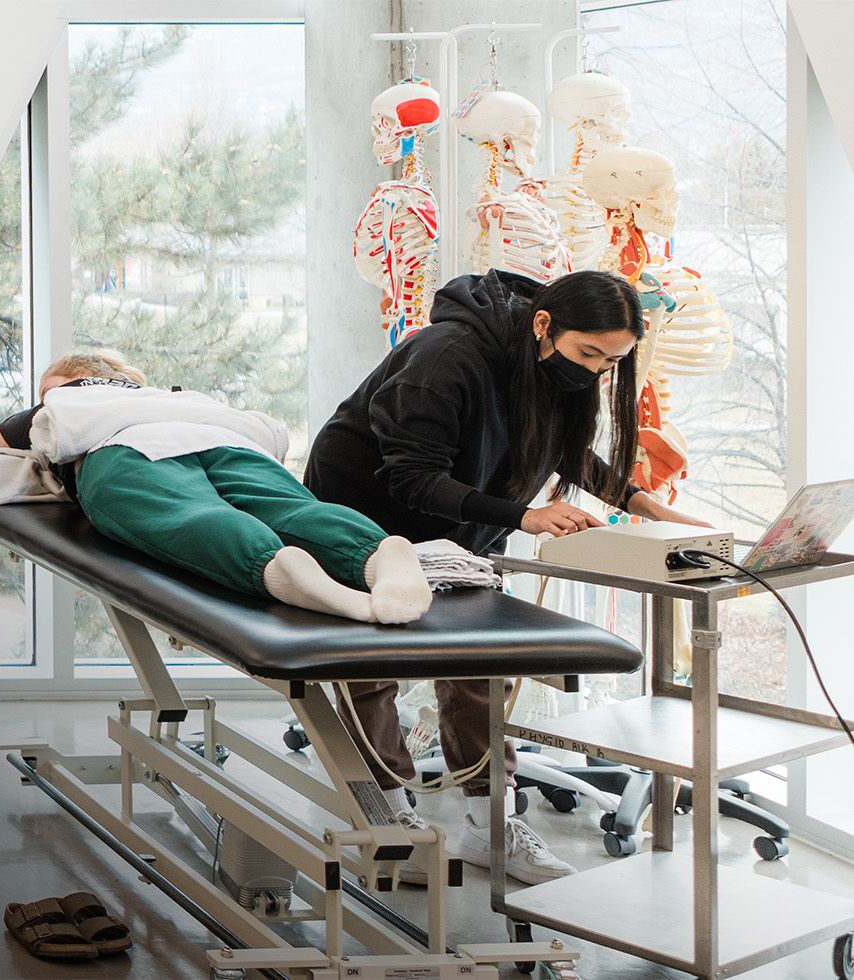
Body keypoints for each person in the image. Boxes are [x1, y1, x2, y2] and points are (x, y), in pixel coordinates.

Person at [303, 268, 709, 886]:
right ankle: (390, 816)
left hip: (461, 521)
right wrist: (526, 516)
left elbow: (561, 447)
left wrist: (640, 501)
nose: (597, 369)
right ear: (544, 324)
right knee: (373, 667)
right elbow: (412, 478)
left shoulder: (555, 364)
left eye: (612, 360)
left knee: (479, 669)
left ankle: (489, 823)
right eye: (590, 353)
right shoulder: (444, 357)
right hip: (365, 517)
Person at [0, 350, 433, 623]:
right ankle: (378, 553)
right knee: (291, 508)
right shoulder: (173, 397)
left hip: (126, 453)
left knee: (191, 516)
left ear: (69, 381)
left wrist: (44, 410)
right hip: (227, 441)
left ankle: (274, 567)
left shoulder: (70, 400)